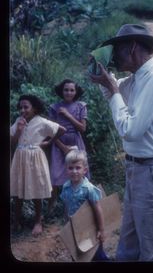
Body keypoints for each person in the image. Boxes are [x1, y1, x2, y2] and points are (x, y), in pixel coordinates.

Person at [89, 23, 153, 261]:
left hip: (152, 171)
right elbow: (114, 93)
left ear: (131, 48)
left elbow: (130, 130)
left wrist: (111, 87)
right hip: (139, 170)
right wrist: (104, 81)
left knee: (151, 249)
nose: (116, 58)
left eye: (117, 51)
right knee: (128, 245)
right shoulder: (139, 78)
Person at [10, 94, 66, 236]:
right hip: (20, 157)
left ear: (34, 108)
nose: (23, 110)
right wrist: (19, 130)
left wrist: (48, 142)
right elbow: (12, 141)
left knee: (37, 189)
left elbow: (61, 130)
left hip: (35, 158)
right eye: (21, 107)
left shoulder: (41, 122)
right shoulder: (19, 121)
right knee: (17, 190)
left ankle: (38, 221)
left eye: (26, 107)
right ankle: (17, 221)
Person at [60, 148, 109, 261]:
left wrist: (101, 230)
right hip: (75, 227)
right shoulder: (66, 187)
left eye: (78, 168)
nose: (74, 171)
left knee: (96, 253)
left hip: (90, 226)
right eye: (70, 168)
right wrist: (67, 223)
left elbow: (98, 209)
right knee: (77, 253)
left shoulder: (89, 189)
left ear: (85, 170)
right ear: (66, 169)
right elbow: (67, 205)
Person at [48, 79, 88, 211]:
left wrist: (67, 115)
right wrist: (63, 148)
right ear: (61, 91)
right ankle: (51, 208)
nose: (69, 92)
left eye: (72, 90)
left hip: (76, 142)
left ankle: (80, 204)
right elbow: (51, 132)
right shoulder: (54, 107)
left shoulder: (81, 106)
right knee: (55, 175)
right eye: (66, 90)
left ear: (76, 92)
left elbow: (82, 128)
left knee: (78, 172)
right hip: (59, 143)